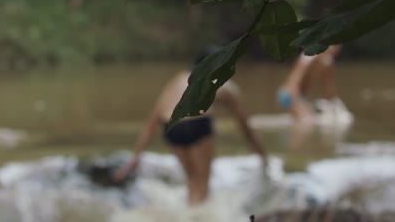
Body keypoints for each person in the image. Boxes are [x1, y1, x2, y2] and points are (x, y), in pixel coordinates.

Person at [115, 47, 268, 205]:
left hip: (171, 127)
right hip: (197, 124)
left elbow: (152, 122)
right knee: (202, 184)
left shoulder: (178, 79)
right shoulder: (226, 85)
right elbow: (246, 130)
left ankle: (190, 213)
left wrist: (135, 158)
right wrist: (264, 158)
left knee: (192, 181)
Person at [277, 44, 349, 123]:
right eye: (334, 45)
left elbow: (328, 89)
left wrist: (335, 106)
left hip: (301, 96)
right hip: (289, 94)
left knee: (310, 117)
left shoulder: (327, 63)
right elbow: (294, 82)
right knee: (306, 120)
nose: (336, 49)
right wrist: (299, 105)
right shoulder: (308, 57)